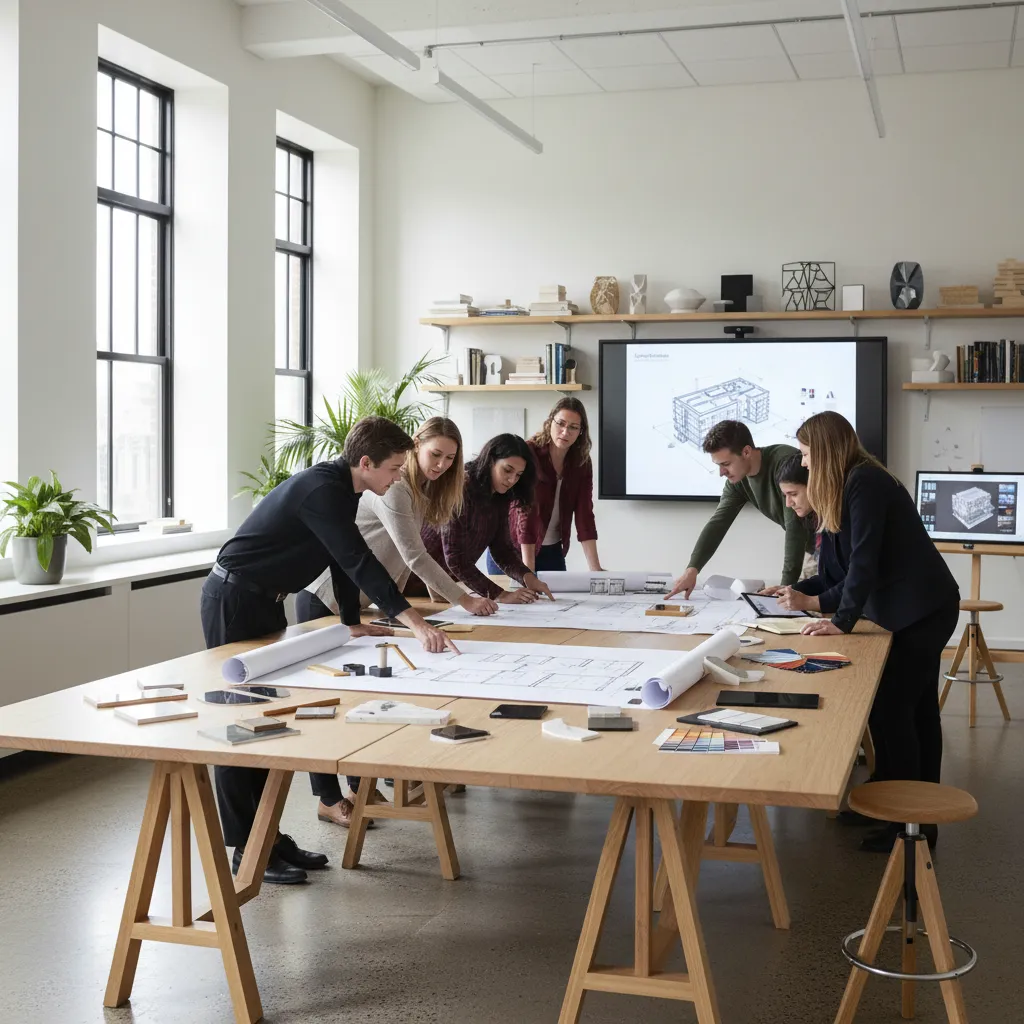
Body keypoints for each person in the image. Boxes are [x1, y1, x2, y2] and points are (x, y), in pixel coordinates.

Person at [200, 417, 459, 885]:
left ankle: (269, 837)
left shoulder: (345, 491)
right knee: (240, 722)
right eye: (395, 467)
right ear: (367, 462)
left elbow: (343, 558)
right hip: (234, 598)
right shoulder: (321, 489)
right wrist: (415, 622)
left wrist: (350, 621)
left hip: (264, 601)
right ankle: (246, 849)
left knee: (267, 719)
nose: (399, 476)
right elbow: (358, 561)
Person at [299, 417, 497, 828]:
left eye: (450, 458)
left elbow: (413, 557)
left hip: (360, 602)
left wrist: (445, 598)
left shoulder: (422, 489)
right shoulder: (396, 487)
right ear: (415, 446)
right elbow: (414, 555)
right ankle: (328, 798)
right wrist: (462, 599)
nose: (441, 464)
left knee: (361, 700)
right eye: (435, 454)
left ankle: (360, 787)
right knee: (325, 707)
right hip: (326, 600)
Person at [779, 411, 960, 853]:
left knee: (893, 711)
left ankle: (908, 822)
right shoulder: (843, 490)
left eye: (807, 454)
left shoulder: (866, 482)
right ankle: (902, 808)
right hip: (908, 611)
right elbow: (835, 573)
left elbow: (865, 563)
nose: (803, 463)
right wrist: (795, 591)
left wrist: (839, 621)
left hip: (924, 610)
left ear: (825, 451)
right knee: (913, 712)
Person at [666, 420, 814, 599]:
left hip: (831, 544)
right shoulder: (737, 482)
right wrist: (692, 570)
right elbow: (718, 523)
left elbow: (795, 526)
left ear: (746, 452)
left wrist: (784, 587)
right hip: (813, 549)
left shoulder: (784, 461)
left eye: (726, 464)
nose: (721, 472)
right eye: (718, 465)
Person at [422, 433, 555, 604]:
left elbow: (502, 549)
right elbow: (455, 558)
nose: (512, 480)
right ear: (491, 460)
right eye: (507, 470)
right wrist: (500, 595)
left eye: (518, 475)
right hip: (415, 583)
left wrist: (529, 578)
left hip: (442, 587)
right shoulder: (461, 487)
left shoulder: (501, 495)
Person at [485, 397, 604, 575]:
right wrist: (528, 570)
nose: (565, 432)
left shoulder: (581, 463)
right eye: (561, 424)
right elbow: (525, 511)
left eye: (573, 427)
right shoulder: (528, 452)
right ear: (550, 422)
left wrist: (595, 570)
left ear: (581, 431)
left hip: (552, 551)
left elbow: (584, 515)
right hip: (512, 550)